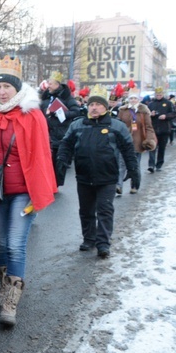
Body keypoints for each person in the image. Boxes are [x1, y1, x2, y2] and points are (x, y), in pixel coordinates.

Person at [0, 56, 56, 327]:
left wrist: (38, 190)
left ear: (17, 88)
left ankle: (11, 300)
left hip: (23, 190)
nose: (2, 91)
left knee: (15, 244)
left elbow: (42, 155)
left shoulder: (32, 116)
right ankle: (4, 284)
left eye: (7, 86)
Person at [57, 85, 140, 259]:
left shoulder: (116, 126)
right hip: (84, 176)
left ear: (106, 107)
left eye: (98, 104)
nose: (94, 107)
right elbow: (66, 144)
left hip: (107, 178)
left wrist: (133, 170)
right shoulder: (78, 125)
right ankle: (89, 239)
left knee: (105, 210)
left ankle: (103, 243)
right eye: (91, 104)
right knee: (86, 211)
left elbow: (128, 150)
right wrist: (62, 160)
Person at [39, 70, 81, 186]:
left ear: (57, 85)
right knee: (47, 160)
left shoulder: (67, 98)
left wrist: (59, 113)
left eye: (51, 83)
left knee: (58, 161)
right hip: (45, 133)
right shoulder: (45, 98)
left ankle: (56, 183)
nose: (48, 86)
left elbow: (76, 112)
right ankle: (48, 182)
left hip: (60, 133)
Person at [117, 87, 156, 194]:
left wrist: (148, 139)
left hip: (137, 141)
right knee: (121, 165)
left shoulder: (144, 111)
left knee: (135, 165)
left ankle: (134, 185)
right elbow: (118, 125)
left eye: (135, 98)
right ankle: (119, 186)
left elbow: (148, 127)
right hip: (124, 141)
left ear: (138, 99)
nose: (133, 100)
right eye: (131, 98)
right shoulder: (123, 110)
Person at [147, 87, 176, 172]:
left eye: (160, 94)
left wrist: (166, 116)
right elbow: (146, 115)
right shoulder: (151, 104)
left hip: (164, 129)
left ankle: (159, 164)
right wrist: (150, 114)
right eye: (157, 95)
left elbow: (174, 113)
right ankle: (151, 165)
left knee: (161, 148)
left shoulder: (168, 103)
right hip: (153, 129)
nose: (158, 96)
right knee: (152, 147)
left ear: (163, 94)